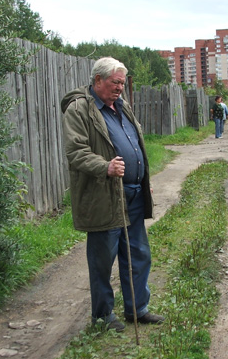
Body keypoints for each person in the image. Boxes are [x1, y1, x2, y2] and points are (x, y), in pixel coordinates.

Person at [60, 57, 164, 332]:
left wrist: (142, 179)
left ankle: (136, 309)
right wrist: (105, 167)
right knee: (103, 260)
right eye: (115, 82)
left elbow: (135, 145)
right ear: (98, 81)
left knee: (139, 254)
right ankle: (103, 316)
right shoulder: (80, 109)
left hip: (132, 195)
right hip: (104, 195)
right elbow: (76, 152)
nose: (120, 88)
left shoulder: (122, 107)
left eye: (121, 83)